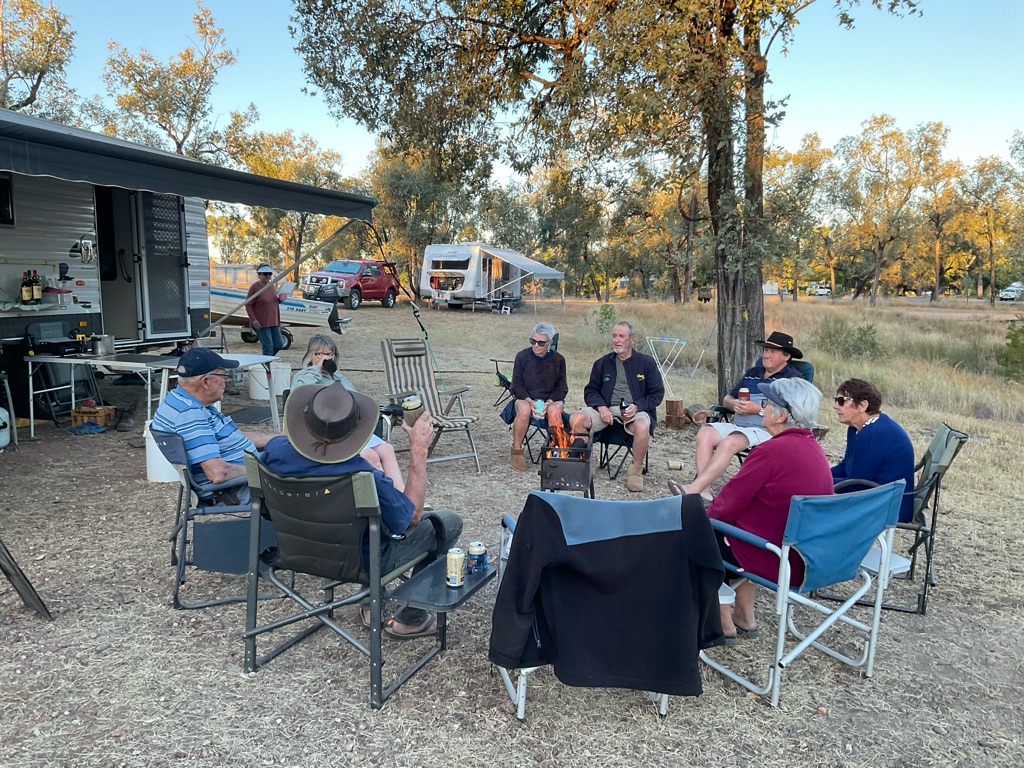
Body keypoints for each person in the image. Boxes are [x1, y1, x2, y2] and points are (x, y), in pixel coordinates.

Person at [262, 381, 462, 639]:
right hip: (358, 562)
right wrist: (419, 450)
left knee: (368, 527)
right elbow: (411, 517)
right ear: (355, 432)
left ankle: (370, 604)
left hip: (295, 551)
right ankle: (410, 619)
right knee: (447, 522)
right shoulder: (362, 474)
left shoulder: (275, 451)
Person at [701, 378, 833, 641]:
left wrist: (697, 514)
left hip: (773, 557)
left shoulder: (770, 451)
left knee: (697, 532)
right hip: (803, 556)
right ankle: (745, 616)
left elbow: (723, 507)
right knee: (732, 530)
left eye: (768, 404)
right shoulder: (814, 449)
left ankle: (721, 619)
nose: (763, 408)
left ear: (781, 415)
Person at [680, 330, 805, 501]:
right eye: (765, 350)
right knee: (705, 434)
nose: (766, 355)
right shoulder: (752, 373)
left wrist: (758, 410)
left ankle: (694, 488)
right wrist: (735, 404)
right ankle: (703, 492)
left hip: (767, 430)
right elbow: (727, 399)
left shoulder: (793, 379)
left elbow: (794, 412)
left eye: (772, 351)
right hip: (739, 425)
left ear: (786, 356)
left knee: (730, 442)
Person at [152, 347, 279, 505]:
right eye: (223, 375)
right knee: (305, 481)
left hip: (242, 480)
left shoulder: (181, 401)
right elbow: (218, 473)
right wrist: (266, 471)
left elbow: (230, 437)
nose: (227, 380)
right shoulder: (189, 414)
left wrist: (279, 438)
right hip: (237, 489)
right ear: (205, 381)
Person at [291, 333, 405, 491]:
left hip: (349, 428)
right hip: (326, 433)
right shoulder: (305, 376)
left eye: (329, 354)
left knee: (387, 449)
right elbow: (298, 394)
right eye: (320, 354)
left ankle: (403, 497)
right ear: (311, 355)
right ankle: (388, 498)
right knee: (370, 456)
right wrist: (316, 368)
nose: (325, 358)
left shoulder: (338, 376)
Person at [574, 321, 664, 492]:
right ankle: (587, 463)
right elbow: (590, 391)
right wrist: (600, 406)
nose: (616, 340)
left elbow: (657, 394)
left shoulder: (646, 363)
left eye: (621, 336)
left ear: (632, 339)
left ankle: (635, 471)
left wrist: (637, 406)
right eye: (614, 336)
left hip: (634, 410)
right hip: (606, 408)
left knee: (642, 425)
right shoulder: (602, 363)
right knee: (576, 418)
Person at [831, 378, 916, 522]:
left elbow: (856, 484)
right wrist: (820, 475)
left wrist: (818, 482)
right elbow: (846, 467)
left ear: (862, 405)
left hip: (890, 506)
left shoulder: (873, 434)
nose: (835, 406)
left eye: (841, 401)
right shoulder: (857, 428)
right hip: (878, 497)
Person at [508, 322, 568, 472]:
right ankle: (517, 451)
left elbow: (562, 388)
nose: (536, 345)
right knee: (524, 409)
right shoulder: (522, 357)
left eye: (540, 343)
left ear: (550, 343)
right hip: (526, 398)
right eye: (533, 341)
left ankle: (557, 453)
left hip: (550, 399)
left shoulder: (558, 360)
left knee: (555, 410)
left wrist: (548, 403)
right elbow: (516, 385)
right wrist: (529, 401)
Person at [246, 263, 287, 358]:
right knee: (268, 346)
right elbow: (248, 304)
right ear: (259, 275)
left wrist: (280, 299)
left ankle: (264, 361)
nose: (268, 276)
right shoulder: (255, 287)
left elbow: (273, 302)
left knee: (279, 344)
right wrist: (253, 320)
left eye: (269, 274)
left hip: (274, 321)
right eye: (265, 274)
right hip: (261, 322)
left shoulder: (271, 286)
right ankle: (266, 364)